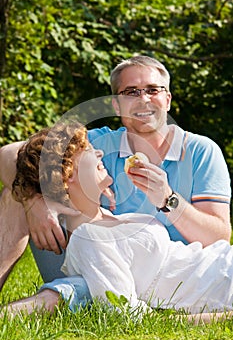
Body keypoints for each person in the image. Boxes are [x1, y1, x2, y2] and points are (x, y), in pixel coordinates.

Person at [0, 56, 231, 310]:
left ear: (167, 99)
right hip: (91, 263)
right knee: (18, 191)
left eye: (153, 90)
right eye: (131, 92)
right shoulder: (97, 146)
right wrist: (36, 203)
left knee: (95, 288)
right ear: (116, 105)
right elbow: (10, 153)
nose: (144, 99)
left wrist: (169, 199)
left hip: (174, 277)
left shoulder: (200, 151)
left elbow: (218, 237)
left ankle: (47, 303)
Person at [2, 121, 233, 325]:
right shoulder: (87, 239)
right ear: (68, 173)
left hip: (223, 262)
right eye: (90, 151)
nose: (101, 153)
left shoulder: (114, 219)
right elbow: (127, 314)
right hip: (222, 286)